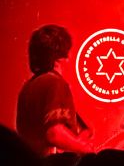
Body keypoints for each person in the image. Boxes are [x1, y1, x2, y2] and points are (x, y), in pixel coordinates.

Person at [16, 24, 94, 156]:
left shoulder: (29, 86)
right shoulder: (55, 82)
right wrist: (84, 148)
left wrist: (78, 137)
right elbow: (54, 133)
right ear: (64, 55)